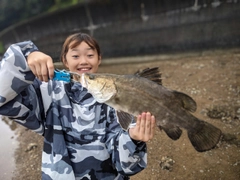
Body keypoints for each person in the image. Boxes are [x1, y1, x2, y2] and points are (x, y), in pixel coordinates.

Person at [0, 32, 156, 180]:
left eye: (90, 55)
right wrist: (26, 55)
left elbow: (127, 167)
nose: (83, 61)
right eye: (75, 55)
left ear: (99, 59)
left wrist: (133, 139)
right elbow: (4, 98)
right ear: (65, 60)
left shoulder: (116, 101)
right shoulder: (46, 92)